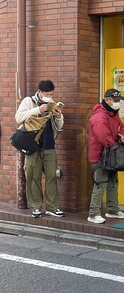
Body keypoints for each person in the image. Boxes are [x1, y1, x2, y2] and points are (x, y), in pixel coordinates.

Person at [15, 80, 64, 218]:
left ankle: (52, 207)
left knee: (52, 176)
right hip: (32, 146)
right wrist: (38, 109)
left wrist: (59, 116)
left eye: (51, 94)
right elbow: (18, 118)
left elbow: (59, 126)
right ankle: (35, 206)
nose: (49, 96)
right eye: (47, 94)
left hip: (49, 145)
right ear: (40, 92)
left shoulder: (52, 103)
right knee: (33, 177)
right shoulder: (28, 101)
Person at [87, 88, 124, 224]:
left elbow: (121, 126)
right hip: (101, 156)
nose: (118, 103)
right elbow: (103, 137)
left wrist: (121, 133)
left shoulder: (113, 113)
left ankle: (112, 210)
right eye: (116, 100)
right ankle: (93, 214)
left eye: (119, 100)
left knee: (113, 183)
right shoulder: (99, 116)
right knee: (100, 184)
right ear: (107, 100)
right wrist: (114, 144)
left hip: (111, 153)